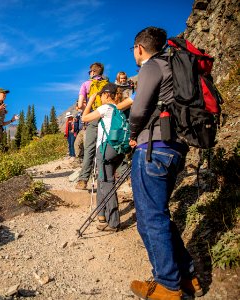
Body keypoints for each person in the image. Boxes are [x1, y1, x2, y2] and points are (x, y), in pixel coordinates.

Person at [128, 27, 202, 299]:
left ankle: (167, 286)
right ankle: (188, 277)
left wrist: (133, 135)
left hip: (152, 149)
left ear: (139, 48)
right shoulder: (174, 65)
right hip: (175, 149)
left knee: (149, 219)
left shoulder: (152, 65)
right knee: (160, 214)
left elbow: (138, 108)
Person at [81, 82, 125, 231]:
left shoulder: (106, 108)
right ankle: (102, 217)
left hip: (105, 148)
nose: (100, 98)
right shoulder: (119, 110)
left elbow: (84, 118)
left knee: (107, 182)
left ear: (106, 95)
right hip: (118, 150)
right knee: (102, 180)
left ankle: (114, 222)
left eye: (101, 95)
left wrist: (91, 100)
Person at [75, 62, 106, 190]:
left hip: (93, 116)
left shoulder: (86, 84)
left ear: (92, 72)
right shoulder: (108, 85)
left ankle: (83, 180)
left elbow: (81, 103)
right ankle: (118, 175)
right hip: (107, 116)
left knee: (89, 148)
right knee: (106, 145)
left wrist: (88, 110)